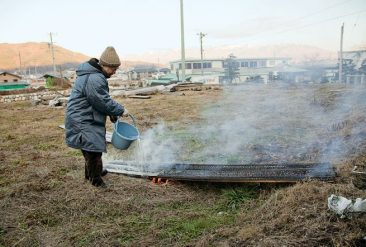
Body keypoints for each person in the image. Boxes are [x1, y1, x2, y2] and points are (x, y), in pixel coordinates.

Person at [65, 46, 128, 188]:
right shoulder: (95, 78)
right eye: (113, 69)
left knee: (90, 149)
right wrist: (119, 110)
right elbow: (102, 100)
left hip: (84, 116)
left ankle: (92, 173)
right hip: (82, 119)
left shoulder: (93, 75)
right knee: (93, 150)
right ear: (105, 65)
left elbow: (98, 100)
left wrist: (111, 113)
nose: (114, 72)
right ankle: (95, 180)